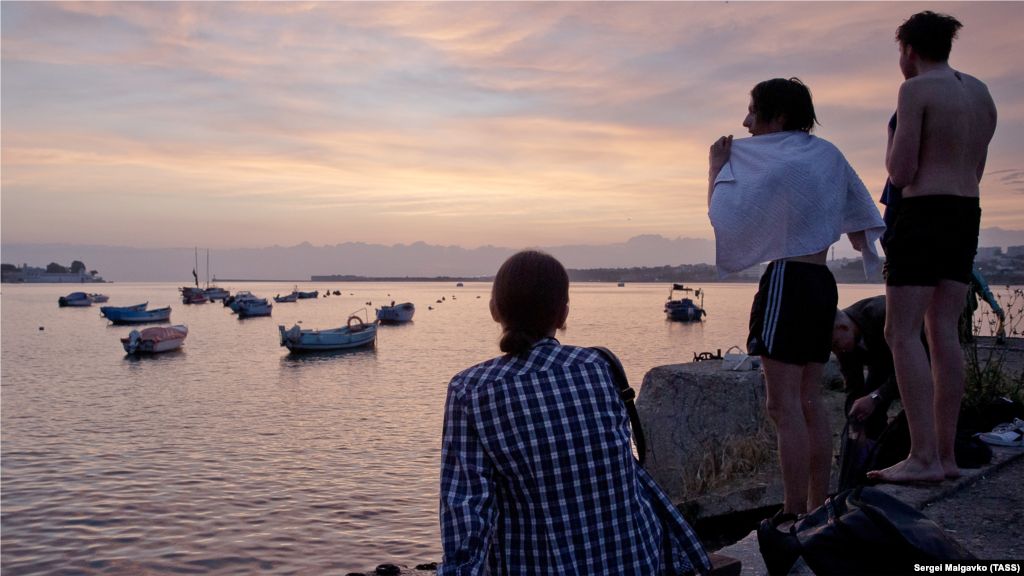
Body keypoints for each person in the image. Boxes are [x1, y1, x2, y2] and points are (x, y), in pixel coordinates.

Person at [438, 250, 711, 576]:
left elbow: (465, 508)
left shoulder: (470, 389)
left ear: (494, 309)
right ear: (563, 314)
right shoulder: (599, 365)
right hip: (637, 560)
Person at [708, 78, 885, 516]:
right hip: (822, 283)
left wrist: (716, 165)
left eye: (753, 111)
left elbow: (724, 212)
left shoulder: (775, 164)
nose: (746, 123)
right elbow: (860, 210)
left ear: (779, 116)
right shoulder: (826, 155)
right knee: (809, 401)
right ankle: (815, 506)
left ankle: (791, 513)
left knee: (781, 404)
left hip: (787, 280)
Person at [869, 11, 998, 484]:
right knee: (944, 331)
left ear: (909, 50)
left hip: (923, 214)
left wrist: (890, 137)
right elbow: (977, 166)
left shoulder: (915, 91)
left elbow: (901, 172)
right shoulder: (980, 92)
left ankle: (921, 456)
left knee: (900, 334)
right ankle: (945, 456)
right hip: (966, 211)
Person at [833, 296, 901, 441]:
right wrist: (857, 429)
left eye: (835, 345)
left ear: (844, 328)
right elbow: (853, 388)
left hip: (918, 360)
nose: (835, 351)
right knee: (869, 416)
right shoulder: (844, 344)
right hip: (881, 363)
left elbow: (912, 373)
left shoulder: (883, 315)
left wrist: (875, 397)